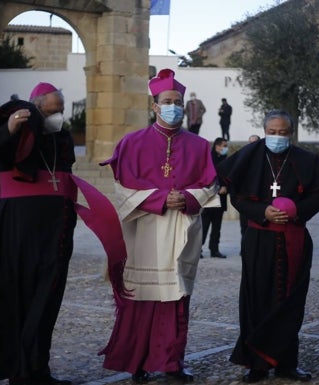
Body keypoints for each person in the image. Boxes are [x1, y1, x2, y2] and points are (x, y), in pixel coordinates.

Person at [0, 82, 127, 385]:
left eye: (61, 109)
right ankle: (17, 369)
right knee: (16, 296)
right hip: (19, 228)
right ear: (36, 107)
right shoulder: (18, 127)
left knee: (46, 300)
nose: (59, 115)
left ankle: (37, 369)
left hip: (57, 228)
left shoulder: (60, 136)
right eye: (53, 110)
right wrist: (8, 127)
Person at [99, 68, 219, 383]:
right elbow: (122, 187)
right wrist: (161, 199)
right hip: (144, 229)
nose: (174, 106)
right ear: (154, 106)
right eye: (167, 101)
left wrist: (190, 199)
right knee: (140, 296)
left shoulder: (200, 145)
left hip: (180, 230)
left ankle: (170, 364)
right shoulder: (131, 143)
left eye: (178, 101)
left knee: (175, 299)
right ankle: (137, 362)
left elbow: (210, 185)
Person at [217, 110, 319, 383]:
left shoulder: (305, 161)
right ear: (265, 129)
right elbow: (238, 198)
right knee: (256, 298)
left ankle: (287, 364)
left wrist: (296, 211)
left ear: (290, 133)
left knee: (291, 301)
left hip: (294, 238)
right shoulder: (249, 157)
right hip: (259, 239)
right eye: (273, 131)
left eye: (283, 132)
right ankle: (256, 365)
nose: (277, 137)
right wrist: (262, 211)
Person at [201, 138, 229, 259]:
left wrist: (226, 186)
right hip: (209, 198)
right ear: (217, 146)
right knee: (204, 226)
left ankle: (214, 249)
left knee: (217, 227)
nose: (225, 148)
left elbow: (228, 177)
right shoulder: (208, 159)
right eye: (224, 145)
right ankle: (198, 249)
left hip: (220, 199)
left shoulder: (225, 159)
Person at [238, 134, 261, 255]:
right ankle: (245, 248)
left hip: (259, 200)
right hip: (245, 198)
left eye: (254, 142)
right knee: (244, 226)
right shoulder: (243, 158)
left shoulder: (264, 158)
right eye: (250, 142)